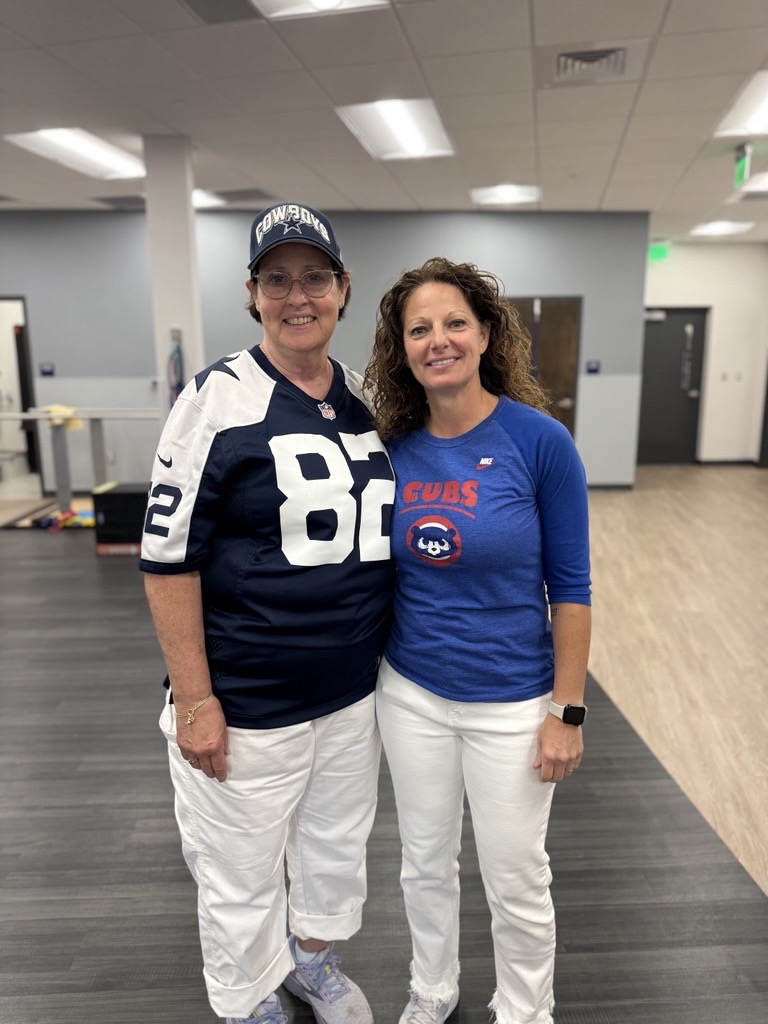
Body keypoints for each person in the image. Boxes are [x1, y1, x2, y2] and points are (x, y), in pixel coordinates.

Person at [140, 202, 395, 1024]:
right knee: (238, 868)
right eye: (277, 279)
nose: (298, 295)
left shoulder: (364, 400)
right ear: (252, 294)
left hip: (350, 696)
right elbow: (167, 558)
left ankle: (312, 964)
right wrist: (197, 700)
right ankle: (251, 998)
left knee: (332, 855)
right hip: (246, 702)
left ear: (342, 288)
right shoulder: (218, 399)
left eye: (314, 277)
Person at [363, 257, 591, 1024]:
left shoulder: (540, 442)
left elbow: (574, 588)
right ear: (401, 349)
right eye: (418, 329)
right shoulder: (389, 446)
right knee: (424, 862)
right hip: (414, 693)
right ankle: (433, 991)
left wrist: (568, 710)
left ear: (487, 333)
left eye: (454, 322)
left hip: (514, 704)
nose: (438, 340)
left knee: (516, 873)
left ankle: (526, 1011)